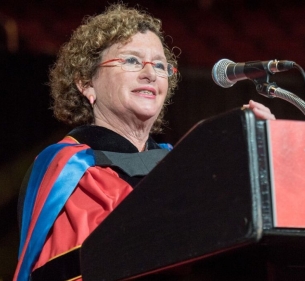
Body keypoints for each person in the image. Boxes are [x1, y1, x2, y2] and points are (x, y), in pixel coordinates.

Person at [14, 4, 275, 281]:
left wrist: (250, 154)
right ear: (86, 83)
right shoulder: (66, 169)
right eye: (131, 61)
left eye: (160, 65)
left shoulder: (180, 164)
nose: (150, 73)